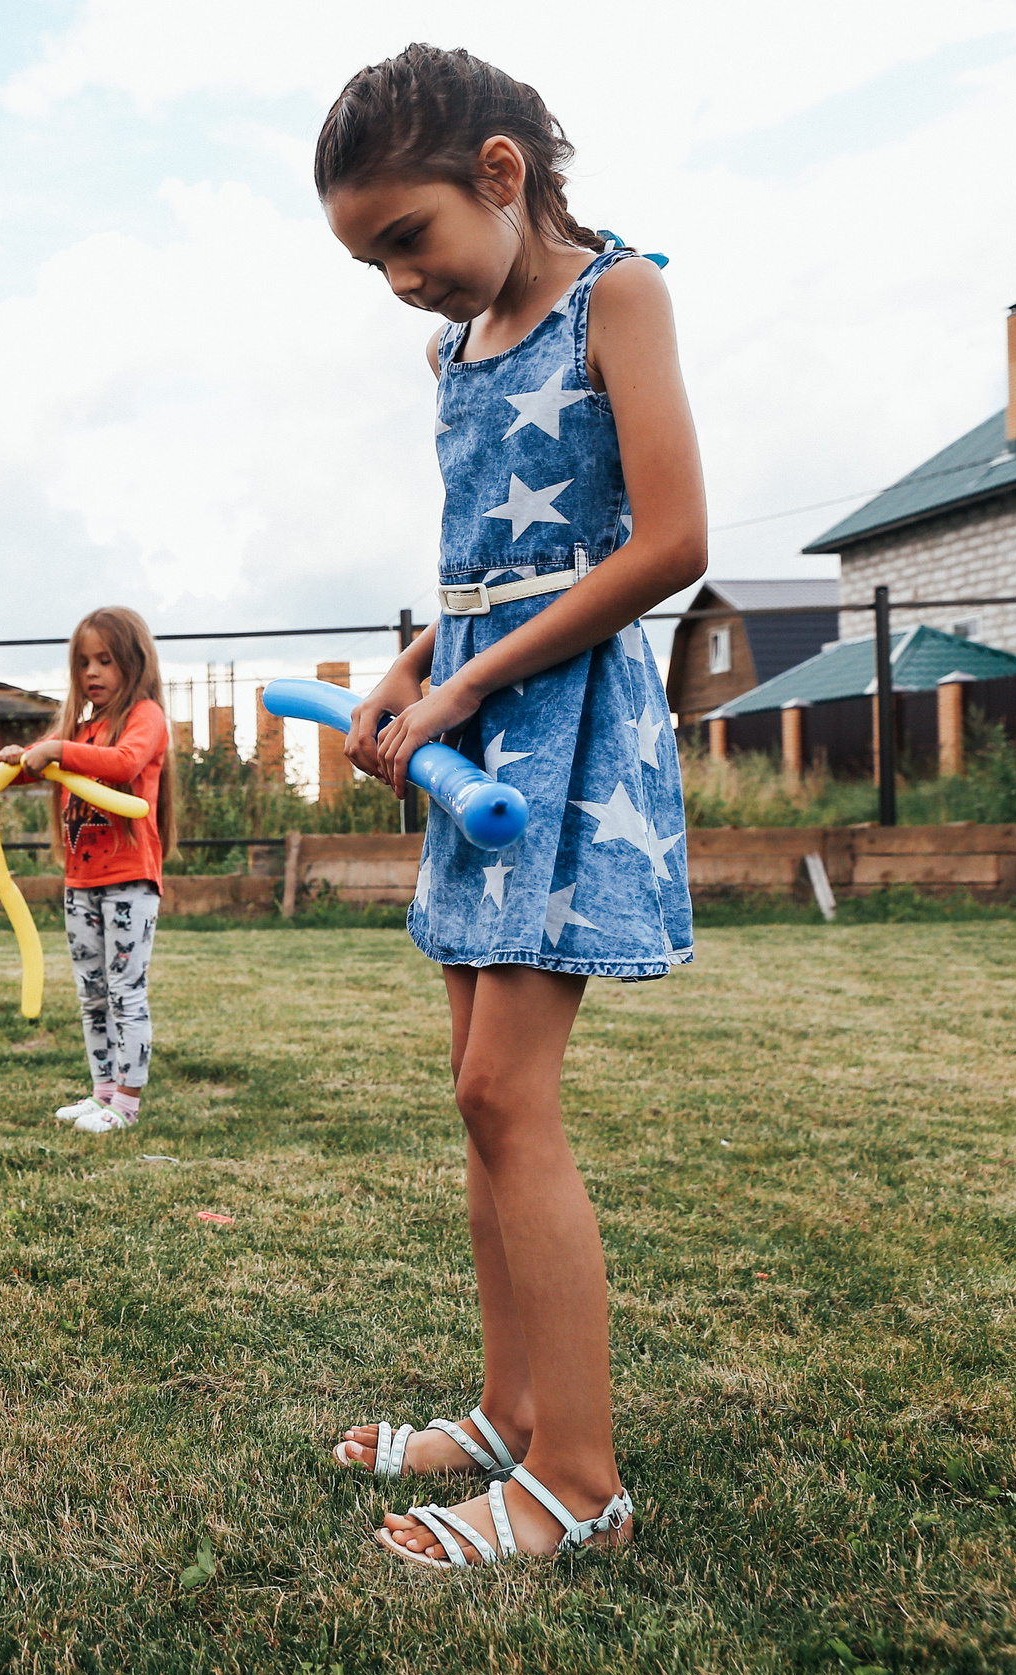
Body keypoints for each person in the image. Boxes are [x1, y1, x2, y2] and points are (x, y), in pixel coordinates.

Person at [316, 45, 703, 1568]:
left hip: (566, 744)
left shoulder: (623, 299)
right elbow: (481, 576)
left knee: (504, 1097)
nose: (398, 280)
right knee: (474, 1100)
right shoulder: (455, 356)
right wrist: (409, 673)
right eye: (369, 260)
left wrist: (471, 690)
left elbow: (668, 541)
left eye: (405, 238)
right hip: (474, 735)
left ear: (500, 172)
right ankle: (508, 1410)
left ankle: (581, 1476)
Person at [0, 606, 175, 1136]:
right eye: (83, 663)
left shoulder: (145, 717)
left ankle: (127, 1103)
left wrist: (54, 749)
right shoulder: (79, 729)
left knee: (125, 991)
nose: (91, 673)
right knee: (92, 993)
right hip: (81, 882)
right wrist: (14, 760)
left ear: (134, 664)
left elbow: (123, 764)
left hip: (129, 879)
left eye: (105, 661)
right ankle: (101, 1093)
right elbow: (38, 767)